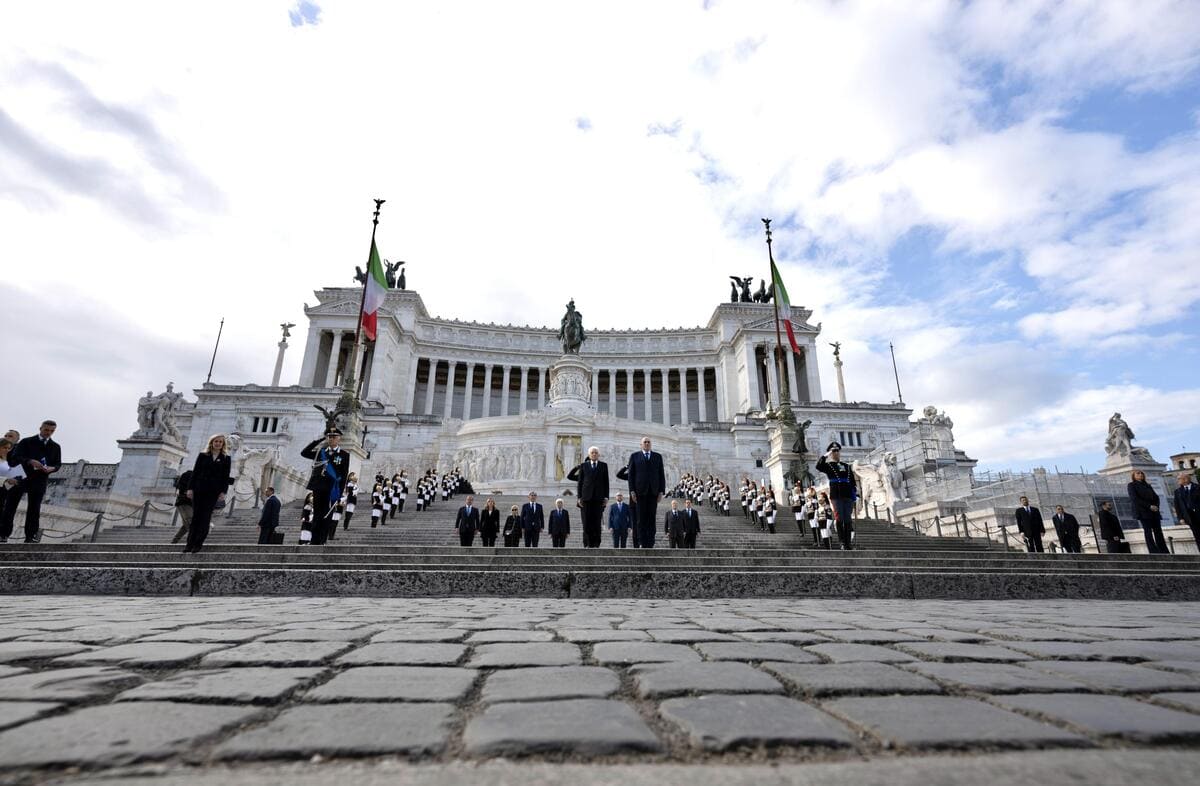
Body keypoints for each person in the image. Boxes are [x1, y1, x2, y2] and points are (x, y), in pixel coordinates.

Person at [1, 420, 62, 543]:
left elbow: (57, 463)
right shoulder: (26, 442)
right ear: (40, 428)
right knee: (10, 507)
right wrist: (30, 461)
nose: (48, 433)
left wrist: (52, 468)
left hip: (39, 480)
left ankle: (31, 536)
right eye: (46, 430)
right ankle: (3, 534)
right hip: (21, 477)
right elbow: (15, 457)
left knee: (34, 509)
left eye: (51, 431)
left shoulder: (55, 447)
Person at [183, 433, 232, 553]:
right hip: (199, 489)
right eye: (216, 441)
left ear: (223, 444)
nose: (218, 443)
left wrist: (223, 492)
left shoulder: (226, 458)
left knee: (205, 517)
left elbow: (225, 477)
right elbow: (195, 472)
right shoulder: (203, 455)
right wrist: (190, 488)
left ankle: (198, 543)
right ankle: (189, 544)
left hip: (213, 492)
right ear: (212, 442)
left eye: (220, 442)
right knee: (196, 517)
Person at [300, 429, 350, 545]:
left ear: (339, 438)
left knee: (327, 515)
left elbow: (344, 475)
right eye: (329, 437)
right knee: (317, 514)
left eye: (334, 436)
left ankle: (322, 540)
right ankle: (314, 540)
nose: (331, 439)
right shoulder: (320, 452)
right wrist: (318, 440)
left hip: (332, 489)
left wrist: (340, 494)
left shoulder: (344, 455)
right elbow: (304, 453)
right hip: (318, 487)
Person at [815, 441, 857, 550]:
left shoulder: (846, 466)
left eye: (837, 451)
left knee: (847, 519)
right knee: (839, 518)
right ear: (831, 453)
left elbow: (852, 481)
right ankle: (842, 542)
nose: (836, 453)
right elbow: (818, 466)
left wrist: (855, 494)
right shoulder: (829, 465)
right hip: (836, 494)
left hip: (847, 494)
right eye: (834, 451)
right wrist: (826, 455)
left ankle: (848, 543)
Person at [567, 445, 609, 548]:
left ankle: (596, 543)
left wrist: (606, 497)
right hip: (586, 498)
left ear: (598, 455)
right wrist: (579, 498)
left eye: (596, 452)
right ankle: (587, 543)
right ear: (589, 455)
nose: (594, 454)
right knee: (586, 522)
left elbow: (606, 482)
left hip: (598, 498)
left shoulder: (603, 465)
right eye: (592, 453)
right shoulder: (584, 466)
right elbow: (580, 483)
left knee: (597, 522)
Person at [628, 436, 665, 548]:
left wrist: (661, 491)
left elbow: (661, 475)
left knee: (651, 517)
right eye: (645, 442)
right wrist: (632, 491)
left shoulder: (657, 456)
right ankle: (641, 541)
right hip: (639, 492)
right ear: (641, 445)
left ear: (651, 444)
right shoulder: (634, 456)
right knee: (640, 518)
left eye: (649, 442)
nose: (647, 444)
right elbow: (631, 475)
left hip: (653, 492)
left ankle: (650, 541)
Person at [1128, 470, 1168, 554]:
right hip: (1143, 512)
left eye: (1141, 473)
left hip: (1154, 511)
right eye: (1138, 473)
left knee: (1158, 531)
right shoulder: (1132, 485)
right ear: (1133, 476)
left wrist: (1156, 506)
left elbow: (1156, 497)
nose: (1140, 474)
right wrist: (1149, 506)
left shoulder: (1148, 485)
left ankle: (1163, 550)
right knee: (1148, 531)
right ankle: (1153, 551)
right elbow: (1135, 499)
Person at [169, 467, 194, 545]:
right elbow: (183, 488)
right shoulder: (188, 475)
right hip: (184, 502)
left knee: (187, 524)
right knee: (190, 522)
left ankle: (175, 541)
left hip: (189, 503)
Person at [1174, 473, 1200, 548]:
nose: (1178, 480)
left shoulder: (1198, 487)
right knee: (1197, 536)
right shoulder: (1177, 491)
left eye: (1179, 478)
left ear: (1186, 479)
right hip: (1190, 517)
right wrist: (1180, 518)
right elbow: (1177, 506)